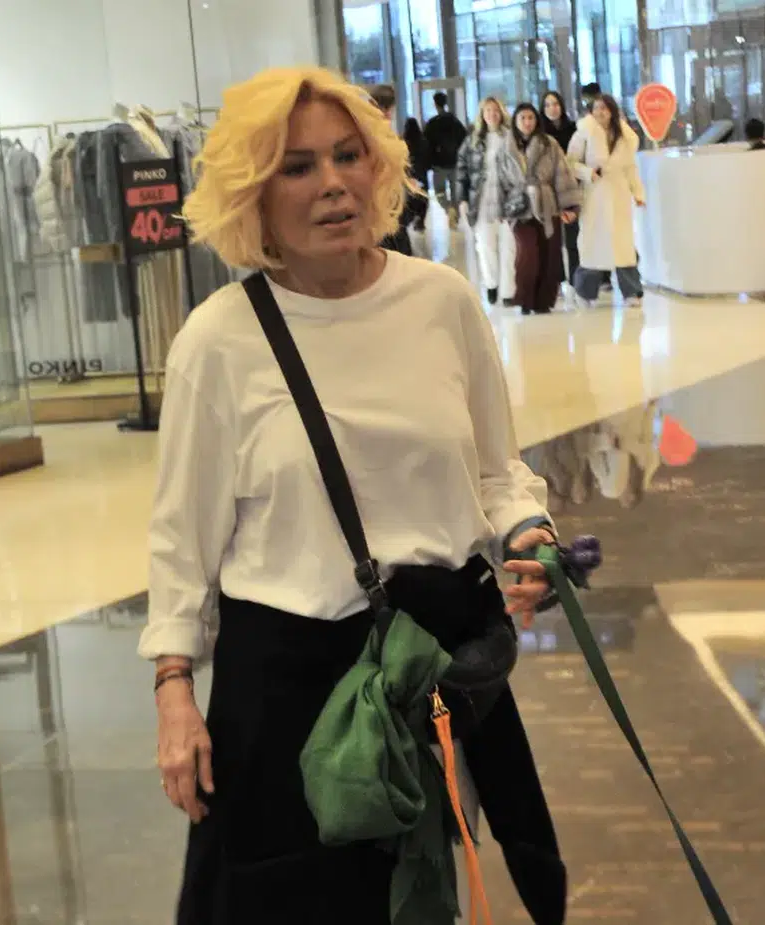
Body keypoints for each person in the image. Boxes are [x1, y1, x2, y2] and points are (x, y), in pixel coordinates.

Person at [145, 65, 570, 924]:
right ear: (253, 193)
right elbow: (181, 541)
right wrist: (175, 690)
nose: (333, 183)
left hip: (429, 671)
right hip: (287, 691)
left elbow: (496, 470)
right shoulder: (218, 342)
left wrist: (528, 530)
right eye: (297, 166)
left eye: (348, 155)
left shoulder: (441, 301)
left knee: (422, 898)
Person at [496, 102, 581, 315]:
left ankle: (543, 302)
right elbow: (498, 181)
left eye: (531, 118)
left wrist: (570, 206)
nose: (527, 122)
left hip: (547, 205)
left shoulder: (549, 144)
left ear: (537, 120)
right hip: (518, 207)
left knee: (549, 254)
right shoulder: (505, 148)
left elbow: (562, 174)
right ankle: (525, 299)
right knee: (528, 254)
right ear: (515, 121)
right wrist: (500, 207)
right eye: (522, 118)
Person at [569, 93, 646, 307]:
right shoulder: (584, 132)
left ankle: (631, 292)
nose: (600, 112)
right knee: (592, 245)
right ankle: (585, 293)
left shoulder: (625, 136)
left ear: (612, 111)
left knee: (624, 246)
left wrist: (638, 193)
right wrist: (588, 173)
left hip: (619, 195)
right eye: (596, 108)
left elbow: (630, 168)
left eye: (604, 108)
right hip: (594, 195)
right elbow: (570, 163)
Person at [456, 96, 517, 304]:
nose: (492, 114)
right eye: (488, 110)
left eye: (496, 110)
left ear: (502, 113)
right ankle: (491, 284)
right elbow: (461, 171)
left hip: (508, 200)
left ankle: (508, 291)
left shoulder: (510, 137)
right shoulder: (472, 140)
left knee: (509, 247)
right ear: (482, 114)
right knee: (485, 245)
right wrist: (462, 199)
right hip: (481, 201)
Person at [367, 83, 423, 255]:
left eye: (388, 108)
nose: (386, 114)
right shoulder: (366, 137)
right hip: (378, 209)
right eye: (382, 108)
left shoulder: (388, 136)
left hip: (393, 209)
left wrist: (406, 181)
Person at [541, 90, 581, 284]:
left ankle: (575, 277)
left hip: (570, 188)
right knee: (553, 238)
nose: (552, 109)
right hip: (548, 190)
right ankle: (557, 279)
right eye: (547, 105)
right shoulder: (540, 134)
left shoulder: (574, 129)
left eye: (555, 104)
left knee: (573, 236)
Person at [423, 90, 467, 212]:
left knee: (439, 191)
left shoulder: (432, 123)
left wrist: (429, 161)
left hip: (438, 164)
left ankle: (448, 210)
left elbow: (426, 144)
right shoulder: (454, 121)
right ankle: (455, 215)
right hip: (454, 162)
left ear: (435, 104)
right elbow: (464, 139)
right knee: (455, 191)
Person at [402, 116, 431, 232]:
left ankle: (412, 218)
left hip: (410, 176)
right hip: (422, 175)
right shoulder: (424, 142)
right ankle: (421, 221)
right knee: (423, 198)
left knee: (410, 199)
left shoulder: (403, 143)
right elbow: (428, 158)